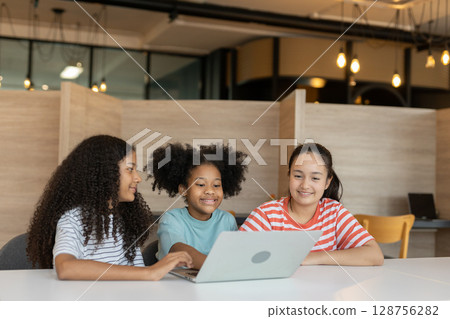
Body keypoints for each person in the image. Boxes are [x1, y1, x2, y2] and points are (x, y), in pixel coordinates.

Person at [27, 135, 193, 280]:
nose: (138, 178)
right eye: (130, 169)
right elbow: (65, 268)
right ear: (105, 174)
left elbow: (138, 273)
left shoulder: (124, 219)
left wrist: (149, 274)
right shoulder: (73, 219)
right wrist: (149, 272)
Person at [240, 142, 384, 266]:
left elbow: (375, 255)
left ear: (327, 182)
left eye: (315, 178)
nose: (305, 185)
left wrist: (309, 258)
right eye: (297, 176)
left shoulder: (334, 212)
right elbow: (236, 257)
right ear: (289, 175)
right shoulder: (266, 214)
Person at [149, 143, 247, 269]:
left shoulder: (227, 220)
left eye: (216, 185)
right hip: (174, 285)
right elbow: (180, 252)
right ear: (184, 190)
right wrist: (220, 268)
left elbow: (234, 255)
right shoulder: (171, 219)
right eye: (201, 184)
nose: (210, 191)